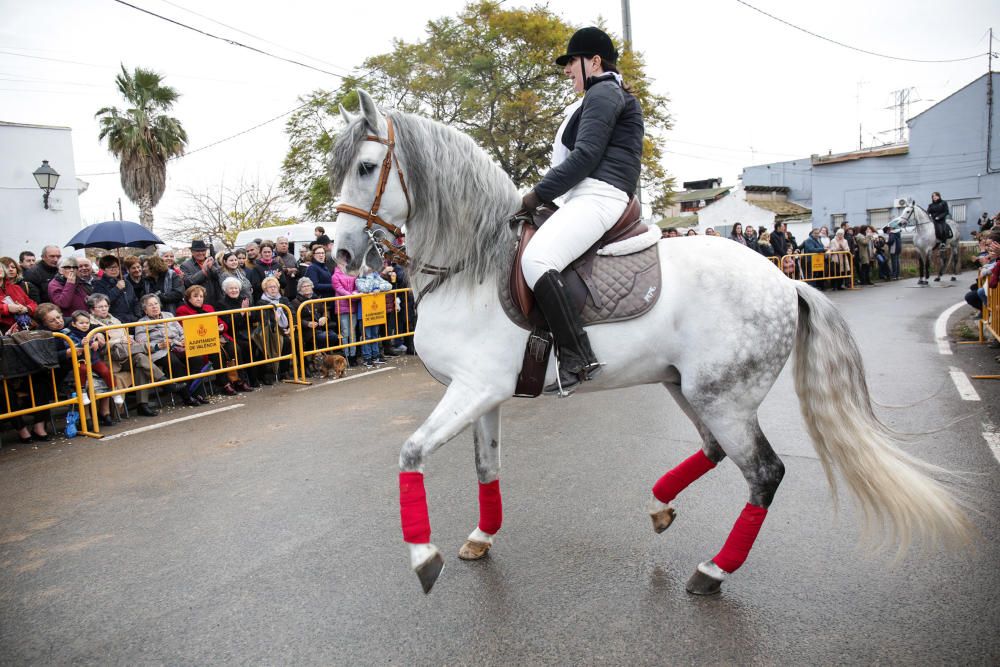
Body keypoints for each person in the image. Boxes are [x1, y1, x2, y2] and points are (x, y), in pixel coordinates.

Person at [517, 26, 643, 394]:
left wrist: (536, 195)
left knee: (536, 260)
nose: (568, 69)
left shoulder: (604, 91)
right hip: (589, 193)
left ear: (595, 61)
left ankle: (577, 356)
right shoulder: (602, 94)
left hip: (599, 194)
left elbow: (585, 157)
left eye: (573, 61)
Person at [87, 292, 160, 417]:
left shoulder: (114, 319)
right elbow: (101, 347)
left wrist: (129, 339)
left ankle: (143, 405)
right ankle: (162, 380)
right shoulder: (89, 324)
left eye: (106, 306)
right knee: (140, 360)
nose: (104, 309)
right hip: (108, 359)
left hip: (124, 354)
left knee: (140, 362)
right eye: (100, 307)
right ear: (92, 310)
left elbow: (124, 336)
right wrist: (118, 341)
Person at [133, 294, 201, 406]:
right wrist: (159, 345)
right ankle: (187, 396)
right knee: (174, 362)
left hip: (177, 346)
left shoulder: (169, 315)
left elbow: (182, 332)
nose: (154, 307)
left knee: (196, 358)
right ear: (145, 310)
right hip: (160, 351)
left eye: (156, 304)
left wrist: (183, 340)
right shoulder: (141, 323)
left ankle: (193, 391)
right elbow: (142, 343)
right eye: (150, 305)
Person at [216, 277, 264, 388]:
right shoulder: (221, 304)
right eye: (231, 288)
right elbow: (228, 323)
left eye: (236, 288)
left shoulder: (244, 299)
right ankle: (247, 380)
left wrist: (249, 313)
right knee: (246, 347)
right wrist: (241, 313)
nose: (234, 290)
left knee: (261, 343)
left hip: (248, 331)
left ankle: (260, 376)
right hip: (233, 334)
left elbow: (254, 319)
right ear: (225, 290)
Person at [257, 276, 293, 381]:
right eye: (270, 287)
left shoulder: (284, 299)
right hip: (270, 331)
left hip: (285, 329)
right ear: (265, 289)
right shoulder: (261, 302)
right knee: (278, 342)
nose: (273, 289)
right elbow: (263, 319)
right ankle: (269, 373)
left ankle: (284, 371)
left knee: (290, 340)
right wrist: (274, 320)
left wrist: (291, 326)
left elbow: (293, 313)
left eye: (275, 287)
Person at [356, 266, 392, 368]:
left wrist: (378, 288)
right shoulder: (359, 280)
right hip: (364, 313)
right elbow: (366, 288)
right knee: (366, 335)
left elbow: (389, 286)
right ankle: (367, 357)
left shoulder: (376, 277)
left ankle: (376, 355)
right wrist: (370, 277)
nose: (371, 269)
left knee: (375, 334)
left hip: (375, 312)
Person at [93, 255, 141, 323]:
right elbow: (103, 303)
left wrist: (138, 315)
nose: (114, 270)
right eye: (110, 267)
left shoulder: (126, 283)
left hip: (133, 320)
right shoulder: (98, 284)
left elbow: (135, 301)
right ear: (103, 270)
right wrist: (117, 289)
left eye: (116, 266)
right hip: (115, 322)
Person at [292, 277, 333, 353]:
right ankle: (318, 356)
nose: (307, 288)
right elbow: (294, 319)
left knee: (333, 336)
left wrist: (325, 317)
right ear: (299, 289)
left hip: (321, 327)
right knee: (323, 337)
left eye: (308, 285)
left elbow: (325, 310)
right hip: (307, 330)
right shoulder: (295, 302)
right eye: (304, 286)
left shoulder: (316, 298)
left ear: (312, 287)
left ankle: (325, 356)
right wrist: (307, 324)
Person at [332, 261, 361, 364]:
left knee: (352, 331)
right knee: (345, 332)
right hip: (342, 306)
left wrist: (355, 293)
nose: (344, 264)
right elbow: (338, 288)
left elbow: (357, 285)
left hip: (352, 304)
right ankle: (346, 355)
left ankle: (353, 355)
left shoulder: (352, 273)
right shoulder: (335, 275)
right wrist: (350, 295)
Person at [180, 239, 222, 308]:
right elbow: (189, 282)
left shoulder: (212, 261)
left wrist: (211, 268)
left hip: (216, 300)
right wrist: (203, 271)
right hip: (198, 303)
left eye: (203, 250)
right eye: (197, 251)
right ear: (192, 252)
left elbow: (220, 276)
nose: (201, 253)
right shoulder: (185, 265)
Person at [0, 255, 36, 333]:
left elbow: (33, 304)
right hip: (4, 332)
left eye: (0, 267)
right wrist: (7, 308)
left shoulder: (16, 288)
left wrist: (26, 309)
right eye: (7, 267)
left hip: (24, 328)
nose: (10, 269)